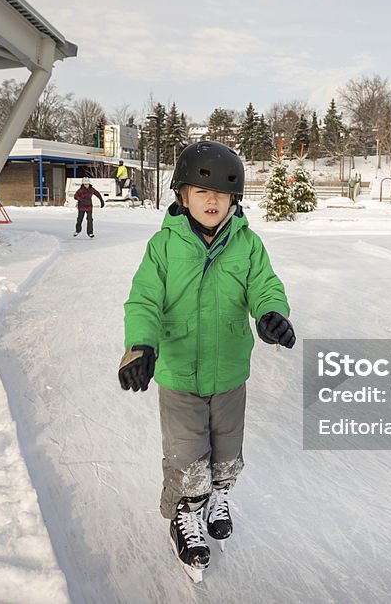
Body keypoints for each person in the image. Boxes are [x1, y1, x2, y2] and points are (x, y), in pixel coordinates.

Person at [118, 141, 295, 582]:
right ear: (182, 196)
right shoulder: (163, 247)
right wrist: (140, 346)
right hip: (179, 372)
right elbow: (143, 300)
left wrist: (272, 313)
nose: (212, 200)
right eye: (201, 191)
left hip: (230, 372)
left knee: (227, 449)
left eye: (221, 193)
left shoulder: (248, 245)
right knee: (187, 456)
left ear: (235, 200)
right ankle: (186, 515)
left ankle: (218, 495)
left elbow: (265, 286)